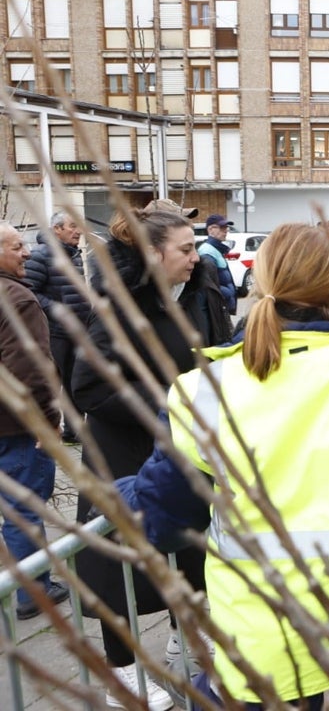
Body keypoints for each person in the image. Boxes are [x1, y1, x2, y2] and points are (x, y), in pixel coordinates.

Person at [117, 223, 329, 708]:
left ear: (261, 283)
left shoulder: (205, 390)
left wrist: (125, 492)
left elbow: (167, 523)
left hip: (256, 620)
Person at [71, 208, 214, 710]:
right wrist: (166, 405)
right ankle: (123, 673)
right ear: (153, 255)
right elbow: (88, 387)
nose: (196, 258)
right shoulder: (118, 306)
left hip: (174, 453)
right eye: (187, 249)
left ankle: (183, 642)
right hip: (122, 459)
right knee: (121, 572)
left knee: (187, 555)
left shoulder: (186, 298)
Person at [0, 222, 71, 621]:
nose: (27, 252)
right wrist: (46, 419)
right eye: (17, 247)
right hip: (14, 426)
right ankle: (33, 592)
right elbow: (28, 367)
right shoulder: (16, 298)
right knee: (23, 507)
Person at [22, 210, 89, 443]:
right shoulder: (40, 256)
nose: (78, 231)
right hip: (53, 332)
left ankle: (74, 430)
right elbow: (29, 292)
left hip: (76, 331)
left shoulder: (74, 255)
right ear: (56, 229)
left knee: (75, 381)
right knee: (51, 383)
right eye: (72, 226)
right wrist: (59, 310)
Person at [197, 213, 237, 315]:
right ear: (210, 230)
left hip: (223, 308)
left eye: (226, 227)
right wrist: (226, 295)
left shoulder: (216, 249)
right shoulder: (207, 252)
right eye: (222, 227)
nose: (226, 230)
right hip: (218, 309)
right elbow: (209, 284)